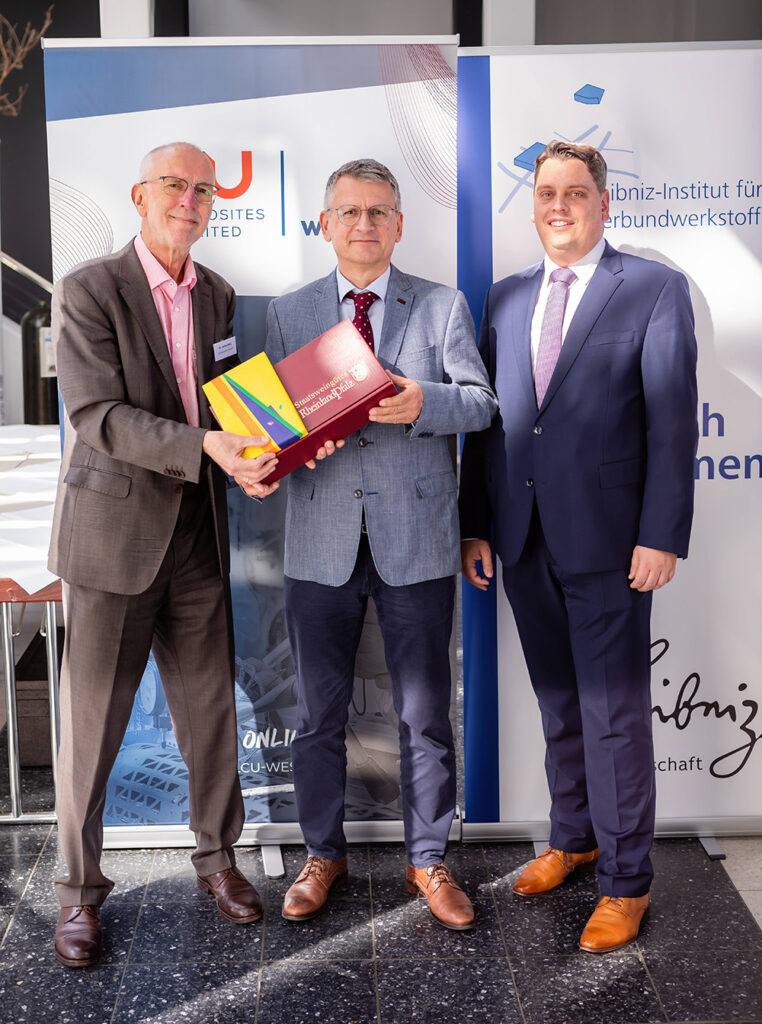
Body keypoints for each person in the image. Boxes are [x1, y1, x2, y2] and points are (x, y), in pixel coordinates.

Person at [459, 141, 698, 953]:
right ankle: (574, 838)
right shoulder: (505, 298)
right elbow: (490, 426)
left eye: (575, 192)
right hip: (521, 538)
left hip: (611, 545)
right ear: (532, 205)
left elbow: (672, 425)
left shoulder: (654, 289)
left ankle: (626, 883)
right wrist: (477, 522)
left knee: (613, 715)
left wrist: (661, 535)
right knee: (559, 703)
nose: (558, 205)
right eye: (546, 192)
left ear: (604, 203)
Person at [49, 142, 280, 968]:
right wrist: (208, 447)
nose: (190, 199)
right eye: (175, 185)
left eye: (204, 189)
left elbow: (229, 401)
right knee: (92, 727)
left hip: (197, 535)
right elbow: (96, 415)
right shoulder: (88, 288)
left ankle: (217, 861)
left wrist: (266, 451)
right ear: (141, 195)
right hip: (113, 539)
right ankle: (78, 894)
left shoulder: (216, 293)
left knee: (210, 715)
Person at [262, 158, 496, 930]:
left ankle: (428, 860)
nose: (364, 224)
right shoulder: (289, 312)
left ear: (399, 224)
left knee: (424, 715)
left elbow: (482, 405)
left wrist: (425, 401)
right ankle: (321, 855)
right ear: (326, 224)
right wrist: (288, 441)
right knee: (318, 716)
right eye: (350, 212)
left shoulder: (440, 304)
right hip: (319, 541)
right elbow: (270, 427)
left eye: (378, 212)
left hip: (416, 542)